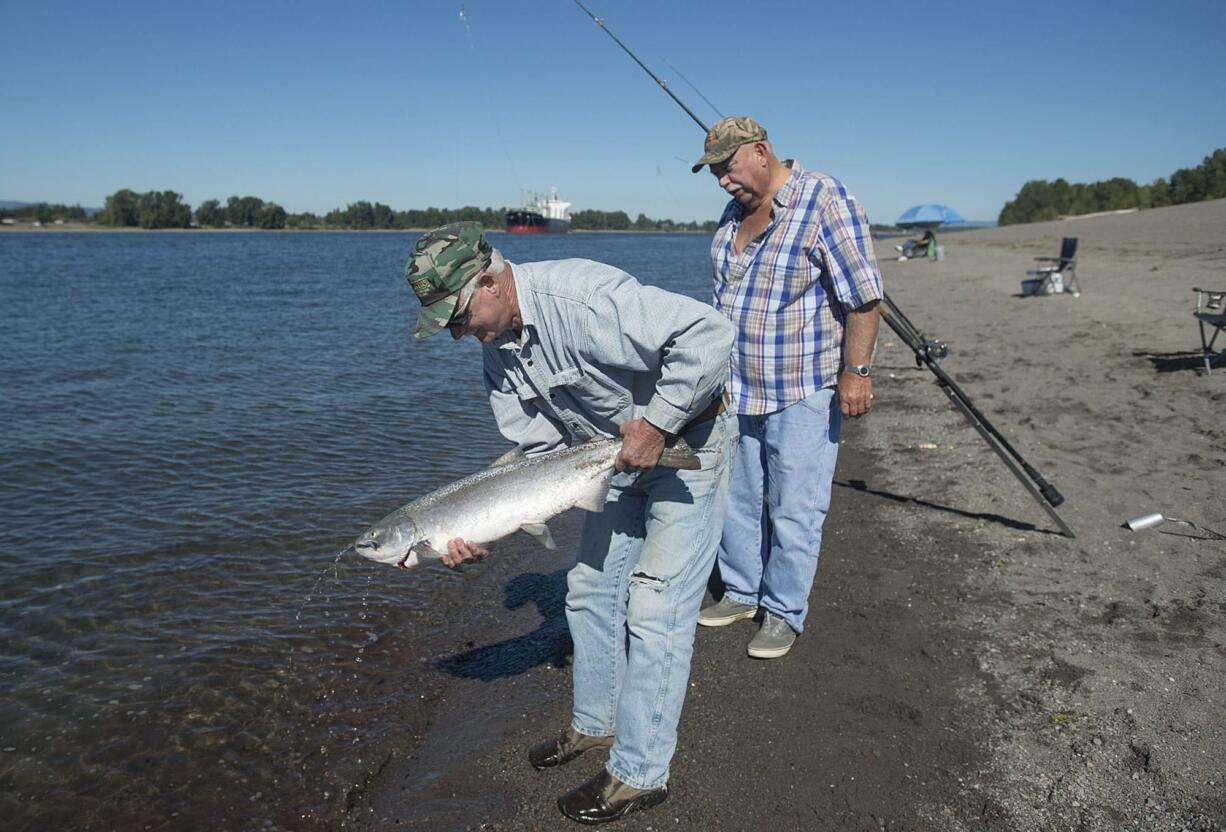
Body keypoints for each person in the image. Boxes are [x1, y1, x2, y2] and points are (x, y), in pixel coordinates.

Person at [403, 222, 737, 823]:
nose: (459, 337)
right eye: (448, 328)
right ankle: (596, 725)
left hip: (691, 440)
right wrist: (481, 529)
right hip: (607, 463)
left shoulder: (581, 298)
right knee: (587, 589)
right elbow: (537, 457)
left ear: (491, 281)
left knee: (656, 606)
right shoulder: (495, 351)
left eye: (458, 318)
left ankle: (640, 774)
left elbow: (710, 333)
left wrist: (658, 423)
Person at [690, 116, 884, 659]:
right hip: (737, 388)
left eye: (728, 168)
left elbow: (864, 297)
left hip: (803, 386)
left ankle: (782, 612)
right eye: (714, 173)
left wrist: (857, 371)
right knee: (735, 500)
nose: (723, 182)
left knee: (796, 508)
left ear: (759, 151)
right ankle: (742, 592)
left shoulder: (823, 199)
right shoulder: (733, 216)